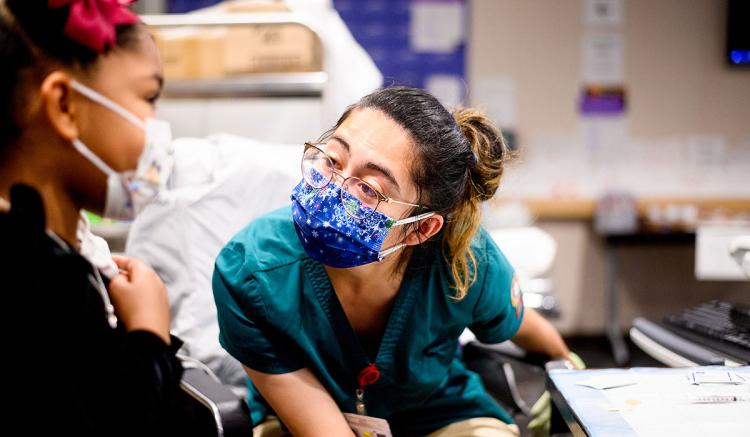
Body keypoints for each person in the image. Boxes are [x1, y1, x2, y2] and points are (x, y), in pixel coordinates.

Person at [213, 86, 576, 436]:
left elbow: (517, 323)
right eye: (332, 159)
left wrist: (568, 375)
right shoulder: (251, 271)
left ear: (420, 229)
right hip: (298, 421)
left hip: (439, 413)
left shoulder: (465, 260)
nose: (334, 188)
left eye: (369, 188)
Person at [0, 0, 182, 435]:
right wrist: (149, 337)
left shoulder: (58, 251)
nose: (157, 127)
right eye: (148, 97)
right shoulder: (35, 280)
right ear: (64, 105)